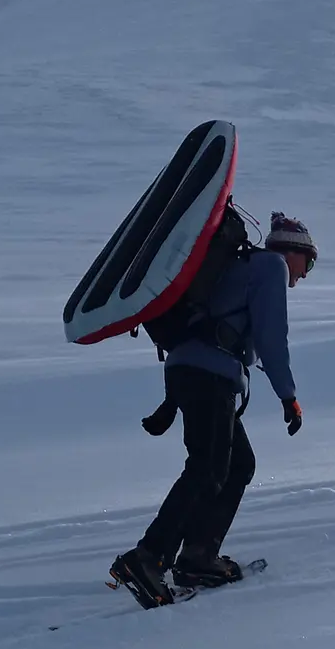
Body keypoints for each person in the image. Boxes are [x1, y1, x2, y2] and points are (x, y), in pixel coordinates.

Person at [110, 211, 316, 606]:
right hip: (208, 373)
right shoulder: (270, 266)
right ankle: (148, 557)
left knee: (237, 464)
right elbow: (274, 338)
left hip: (193, 371)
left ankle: (198, 557)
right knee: (208, 466)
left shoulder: (242, 267)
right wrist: (288, 396)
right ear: (292, 251)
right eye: (309, 261)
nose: (306, 273)